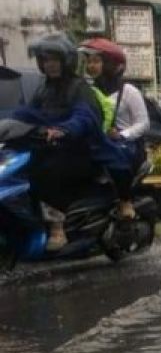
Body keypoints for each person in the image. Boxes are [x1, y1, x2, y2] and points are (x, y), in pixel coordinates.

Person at [13, 33, 108, 251]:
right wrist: (8, 122)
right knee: (25, 164)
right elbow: (27, 113)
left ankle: (57, 226)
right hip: (51, 147)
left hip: (79, 150)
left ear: (66, 61)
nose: (50, 65)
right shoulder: (43, 88)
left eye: (54, 59)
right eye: (46, 60)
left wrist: (65, 130)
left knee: (46, 170)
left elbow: (85, 117)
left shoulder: (78, 87)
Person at [79, 37, 148, 221]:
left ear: (110, 64)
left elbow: (143, 123)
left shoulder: (129, 91)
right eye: (88, 62)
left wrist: (122, 134)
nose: (91, 66)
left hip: (127, 147)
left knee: (115, 156)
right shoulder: (88, 91)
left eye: (96, 61)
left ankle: (125, 201)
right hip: (98, 142)